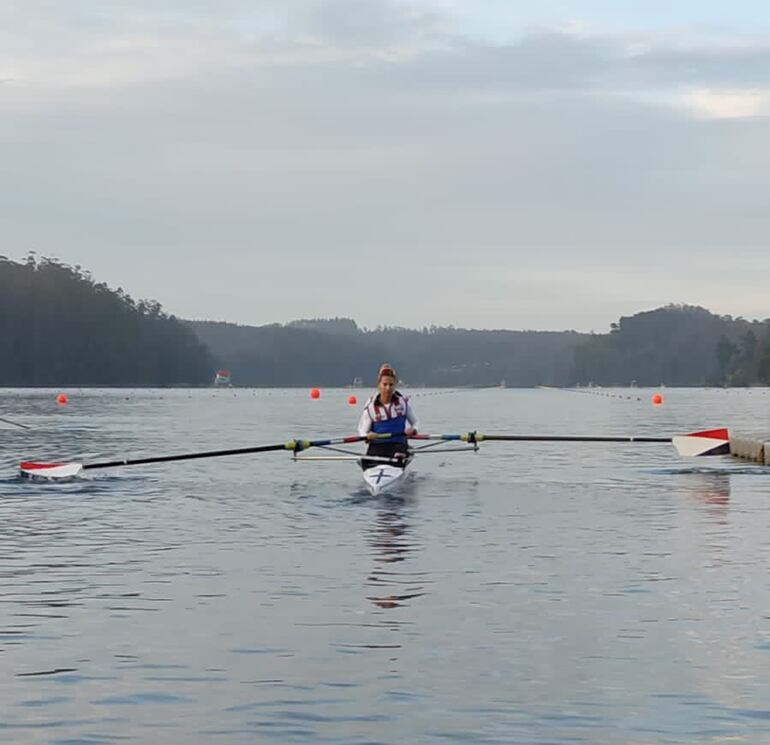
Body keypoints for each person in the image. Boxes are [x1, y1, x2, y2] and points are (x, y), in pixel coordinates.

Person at [358, 363, 419, 470]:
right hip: (377, 445)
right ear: (379, 385)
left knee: (398, 456)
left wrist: (413, 430)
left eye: (391, 385)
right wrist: (366, 436)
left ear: (395, 385)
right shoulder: (371, 406)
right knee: (368, 463)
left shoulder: (402, 402)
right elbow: (362, 430)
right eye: (384, 384)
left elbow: (416, 422)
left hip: (398, 444)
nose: (388, 388)